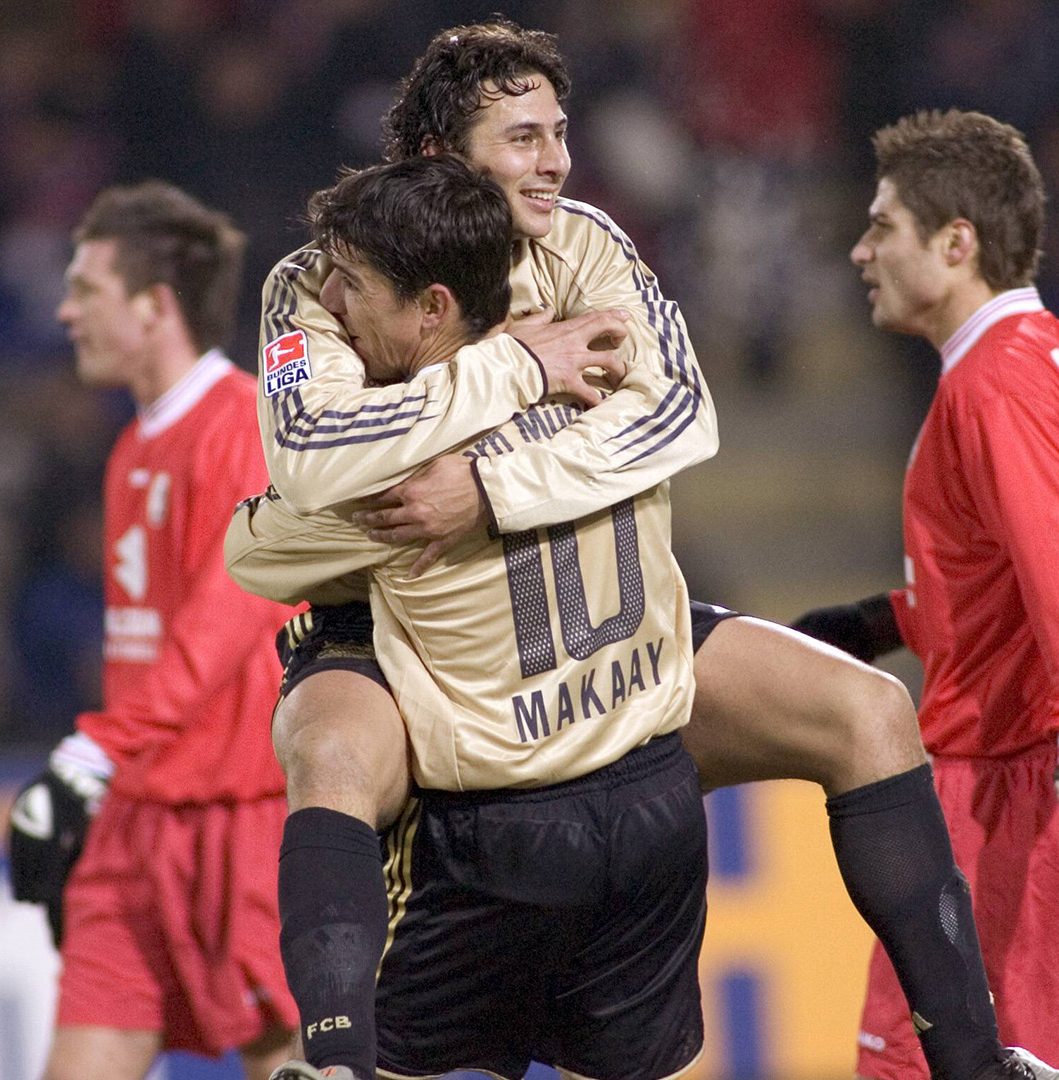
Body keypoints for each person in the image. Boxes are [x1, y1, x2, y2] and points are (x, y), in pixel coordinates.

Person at [245, 21, 1059, 1080]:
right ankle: (337, 1059)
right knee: (331, 747)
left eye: (560, 133)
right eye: (523, 137)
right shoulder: (322, 282)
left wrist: (485, 486)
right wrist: (518, 374)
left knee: (867, 712)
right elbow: (310, 457)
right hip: (393, 620)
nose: (556, 160)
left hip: (600, 599)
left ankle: (978, 1067)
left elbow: (676, 418)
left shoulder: (583, 244)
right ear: (443, 150)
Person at [230, 152, 711, 1080]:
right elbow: (681, 418)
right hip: (654, 802)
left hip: (504, 829)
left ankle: (331, 1059)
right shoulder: (611, 410)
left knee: (325, 747)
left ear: (433, 309)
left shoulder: (407, 477)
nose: (327, 300)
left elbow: (253, 550)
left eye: (353, 285)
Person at [792, 109, 1059, 1080]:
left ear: (956, 242)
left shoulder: (992, 384)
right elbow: (1027, 566)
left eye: (883, 227)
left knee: (926, 1066)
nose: (860, 250)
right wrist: (890, 620)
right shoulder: (1055, 353)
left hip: (1026, 783)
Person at [23, 180, 299, 1080]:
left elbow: (225, 625)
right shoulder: (130, 447)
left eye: (86, 291)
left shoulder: (248, 428)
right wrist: (111, 767)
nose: (66, 312)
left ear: (153, 308)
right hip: (136, 823)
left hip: (245, 813)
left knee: (289, 1061)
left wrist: (96, 749)